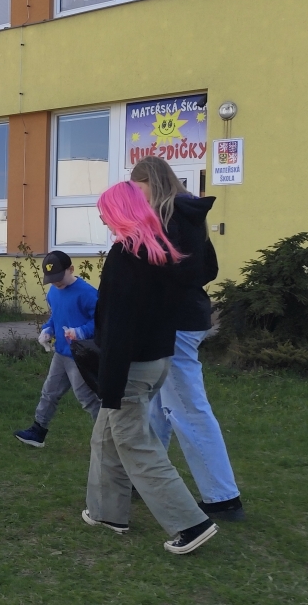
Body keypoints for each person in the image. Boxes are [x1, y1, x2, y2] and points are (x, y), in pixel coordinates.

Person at [82, 182, 218, 555]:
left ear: (119, 212)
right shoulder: (161, 249)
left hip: (131, 365)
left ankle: (191, 524)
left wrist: (110, 380)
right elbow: (206, 269)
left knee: (135, 444)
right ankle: (106, 512)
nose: (102, 219)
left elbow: (118, 324)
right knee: (105, 436)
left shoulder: (126, 256)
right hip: (156, 360)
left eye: (104, 212)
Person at [132, 155, 243, 522]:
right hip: (186, 316)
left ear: (150, 182)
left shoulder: (168, 218)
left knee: (186, 408)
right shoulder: (190, 215)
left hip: (175, 323)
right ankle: (146, 478)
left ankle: (222, 497)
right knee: (157, 405)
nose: (136, 195)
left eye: (137, 187)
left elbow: (161, 273)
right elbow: (209, 267)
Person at [14, 251, 101, 448]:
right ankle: (38, 432)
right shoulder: (53, 292)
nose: (56, 283)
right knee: (49, 392)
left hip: (81, 356)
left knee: (87, 399)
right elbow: (57, 315)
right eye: (51, 279)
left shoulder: (87, 293)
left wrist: (81, 331)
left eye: (59, 278)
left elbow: (100, 321)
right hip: (61, 353)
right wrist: (48, 329)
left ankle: (108, 435)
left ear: (71, 269)